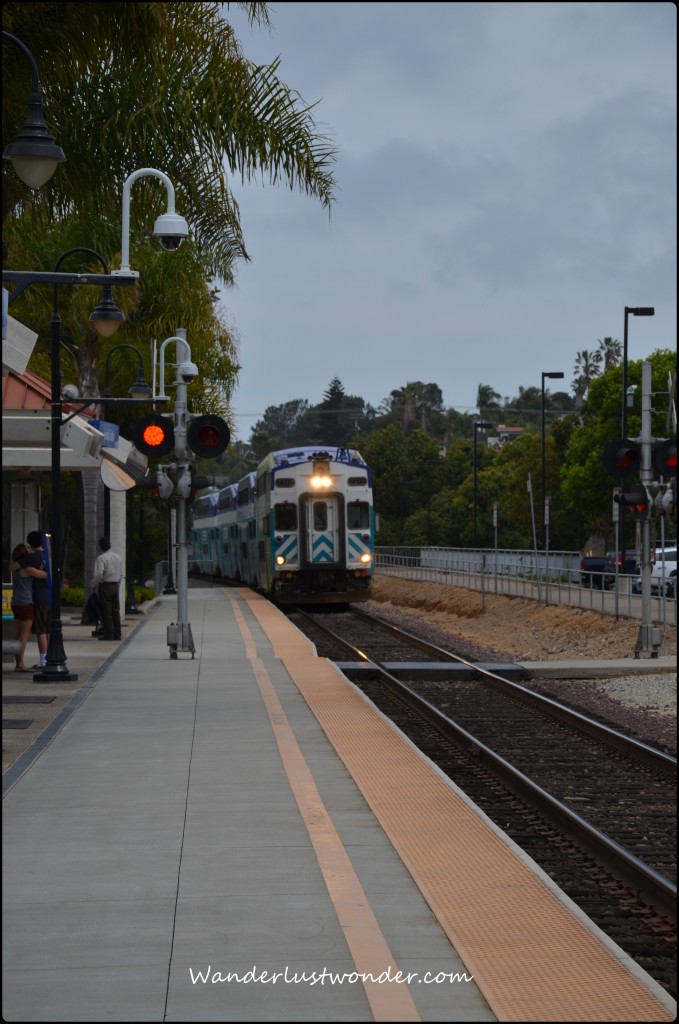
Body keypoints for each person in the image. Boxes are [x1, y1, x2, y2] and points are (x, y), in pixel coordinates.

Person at [9, 543, 48, 672]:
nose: (31, 549)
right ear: (24, 554)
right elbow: (45, 575)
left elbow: (11, 565)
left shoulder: (15, 568)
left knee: (17, 633)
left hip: (15, 602)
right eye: (28, 548)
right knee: (24, 635)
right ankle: (20, 664)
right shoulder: (28, 569)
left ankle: (18, 663)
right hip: (26, 603)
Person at [16, 531, 52, 670]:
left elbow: (13, 566)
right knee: (48, 629)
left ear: (31, 544)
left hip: (38, 597)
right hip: (49, 596)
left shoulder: (32, 558)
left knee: (40, 630)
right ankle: (49, 656)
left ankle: (43, 660)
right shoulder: (47, 556)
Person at [91, 537, 124, 641]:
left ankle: (109, 634)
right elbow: (122, 573)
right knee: (115, 610)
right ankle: (118, 633)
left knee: (106, 611)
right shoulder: (117, 557)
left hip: (105, 585)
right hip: (115, 585)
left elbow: (99, 574)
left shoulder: (101, 558)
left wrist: (93, 583)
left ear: (101, 546)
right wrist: (118, 583)